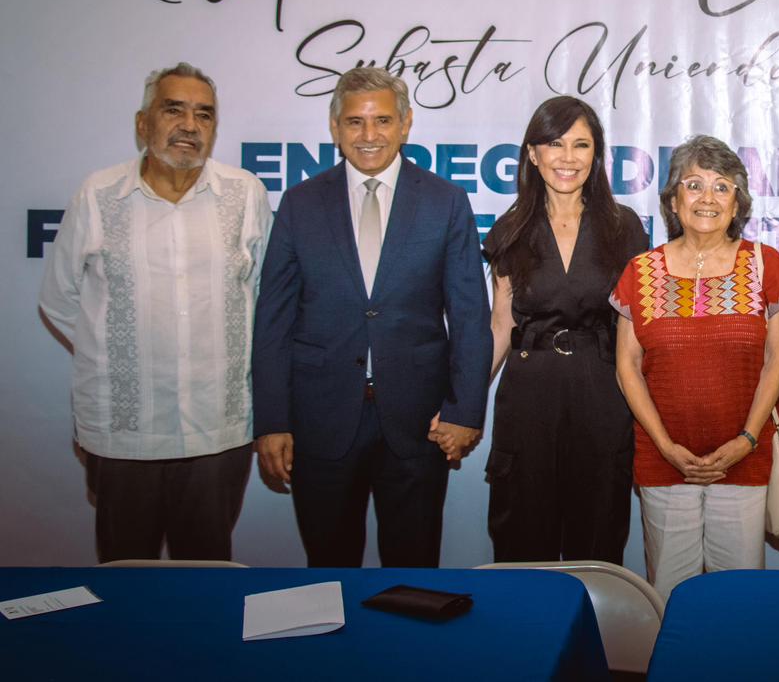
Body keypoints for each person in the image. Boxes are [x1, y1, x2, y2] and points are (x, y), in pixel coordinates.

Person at [252, 66, 491, 568]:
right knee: (329, 570)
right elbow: (273, 320)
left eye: (382, 120)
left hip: (419, 423)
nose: (369, 135)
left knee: (413, 571)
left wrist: (465, 411)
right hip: (320, 421)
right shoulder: (299, 204)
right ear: (335, 126)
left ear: (405, 124)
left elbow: (470, 315)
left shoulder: (445, 202)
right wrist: (272, 419)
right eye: (355, 121)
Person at [39, 63, 271, 562]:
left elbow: (262, 294)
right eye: (174, 110)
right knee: (125, 572)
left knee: (207, 572)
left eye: (204, 115)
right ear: (143, 123)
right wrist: (118, 355)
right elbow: (59, 299)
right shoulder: (99, 195)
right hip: (124, 434)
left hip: (218, 428)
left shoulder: (245, 193)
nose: (189, 125)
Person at [612, 135, 779, 598]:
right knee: (670, 592)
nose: (707, 198)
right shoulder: (640, 270)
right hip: (664, 459)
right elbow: (627, 366)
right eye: (694, 185)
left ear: (738, 203)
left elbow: (777, 360)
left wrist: (746, 440)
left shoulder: (765, 264)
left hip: (744, 457)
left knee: (739, 596)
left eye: (722, 186)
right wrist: (665, 446)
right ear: (674, 200)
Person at [482, 97, 649, 564]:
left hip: (602, 394)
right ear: (532, 154)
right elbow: (501, 325)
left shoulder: (624, 228)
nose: (568, 157)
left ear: (596, 155)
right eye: (555, 144)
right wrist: (462, 405)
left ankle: (592, 613)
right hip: (528, 395)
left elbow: (637, 333)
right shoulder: (510, 229)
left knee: (597, 538)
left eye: (581, 145)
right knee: (522, 538)